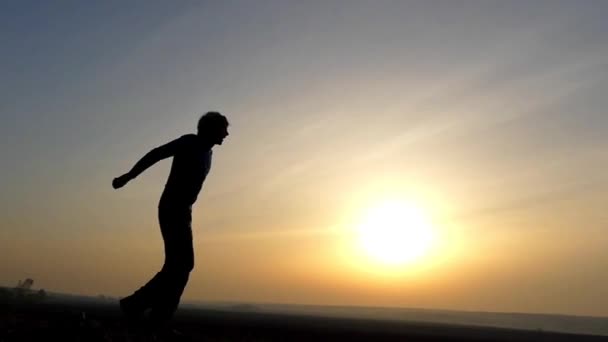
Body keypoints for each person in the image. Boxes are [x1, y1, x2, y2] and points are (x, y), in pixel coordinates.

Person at [112, 111, 229, 327]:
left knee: (179, 266)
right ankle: (138, 306)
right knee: (182, 265)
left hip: (184, 211)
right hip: (172, 209)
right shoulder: (189, 142)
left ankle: (152, 316)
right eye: (224, 128)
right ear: (211, 129)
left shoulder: (208, 152)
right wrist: (128, 176)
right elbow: (155, 154)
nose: (227, 134)